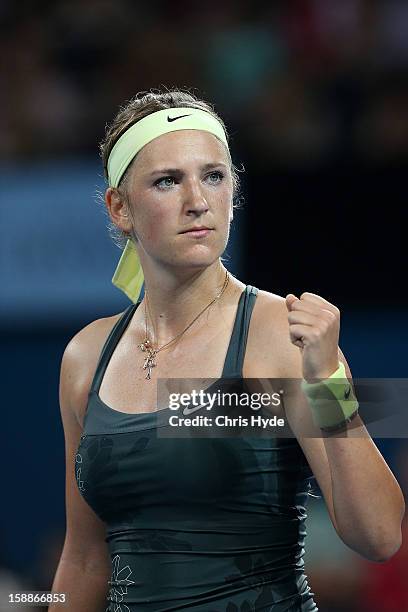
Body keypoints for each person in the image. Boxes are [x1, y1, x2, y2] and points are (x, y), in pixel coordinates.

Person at [50, 89, 405, 612]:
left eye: (213, 175)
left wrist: (329, 380)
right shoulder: (85, 357)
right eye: (167, 181)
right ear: (119, 207)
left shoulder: (282, 336)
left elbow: (378, 536)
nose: (198, 200)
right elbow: (82, 561)